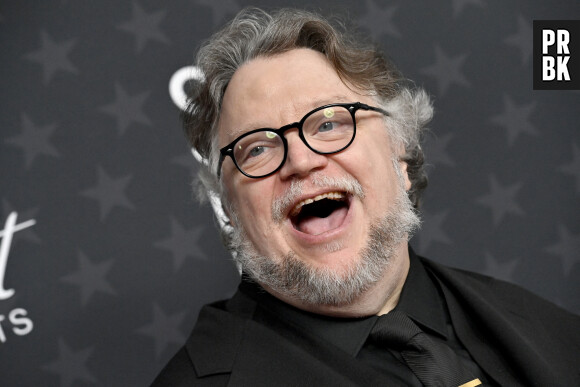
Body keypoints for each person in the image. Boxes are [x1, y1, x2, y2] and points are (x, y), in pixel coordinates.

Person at [153, 7, 580, 386]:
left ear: (403, 157)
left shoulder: (552, 332)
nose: (300, 161)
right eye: (257, 149)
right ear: (229, 208)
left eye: (328, 123)